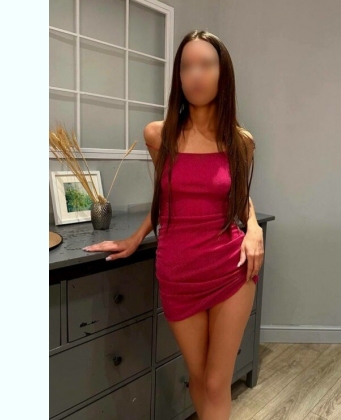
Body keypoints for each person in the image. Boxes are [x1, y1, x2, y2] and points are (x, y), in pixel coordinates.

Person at [82, 30, 264, 420]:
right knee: (198, 377)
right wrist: (135, 238)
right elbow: (167, 196)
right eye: (186, 66)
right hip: (178, 271)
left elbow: (240, 197)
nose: (195, 74)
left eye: (206, 64)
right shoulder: (158, 135)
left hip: (230, 267)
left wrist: (254, 227)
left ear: (223, 73)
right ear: (178, 77)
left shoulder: (241, 141)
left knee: (216, 382)